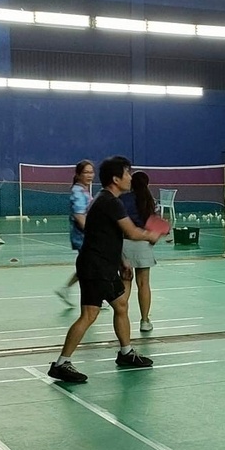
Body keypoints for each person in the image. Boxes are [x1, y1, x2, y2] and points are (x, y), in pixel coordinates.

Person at [48, 156, 163, 383]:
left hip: (105, 264)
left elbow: (109, 235)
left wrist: (122, 261)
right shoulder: (110, 202)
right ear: (116, 179)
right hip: (95, 266)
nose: (130, 178)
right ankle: (61, 363)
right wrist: (151, 234)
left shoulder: (106, 199)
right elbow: (130, 231)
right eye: (127, 173)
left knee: (121, 304)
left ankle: (126, 353)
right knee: (89, 314)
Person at [120, 170, 158, 332]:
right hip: (143, 244)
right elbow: (155, 227)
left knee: (125, 282)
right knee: (144, 284)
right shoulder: (150, 202)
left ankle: (122, 317)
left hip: (125, 243)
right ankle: (144, 321)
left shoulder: (121, 200)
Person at [56, 160, 95, 305]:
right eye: (86, 172)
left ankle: (66, 289)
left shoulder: (84, 190)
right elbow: (80, 216)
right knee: (90, 266)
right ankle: (93, 297)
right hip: (82, 237)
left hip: (86, 236)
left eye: (91, 172)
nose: (89, 175)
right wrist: (93, 234)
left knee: (87, 267)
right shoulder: (77, 192)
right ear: (78, 174)